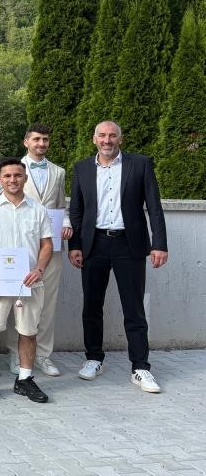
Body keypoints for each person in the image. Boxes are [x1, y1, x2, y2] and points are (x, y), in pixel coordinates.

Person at [69, 120, 168, 393]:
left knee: (134, 309)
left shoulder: (141, 164)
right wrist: (74, 245)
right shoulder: (82, 168)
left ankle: (140, 368)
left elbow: (155, 208)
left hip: (130, 245)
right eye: (102, 135)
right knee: (92, 306)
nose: (107, 140)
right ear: (94, 139)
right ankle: (94, 358)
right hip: (94, 245)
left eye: (112, 136)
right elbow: (76, 211)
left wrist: (159, 244)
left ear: (120, 139)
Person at [0, 158, 54, 405]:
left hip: (28, 283)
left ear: (25, 178)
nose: (12, 180)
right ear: (0, 179)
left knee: (28, 333)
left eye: (17, 175)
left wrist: (39, 269)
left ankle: (25, 379)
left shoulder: (38, 210)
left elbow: (47, 244)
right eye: (7, 176)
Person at [7, 124, 71, 377]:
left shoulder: (59, 171)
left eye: (45, 139)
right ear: (26, 142)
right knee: (20, 301)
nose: (41, 143)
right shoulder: (13, 171)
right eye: (36, 139)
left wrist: (66, 224)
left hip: (51, 246)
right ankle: (15, 354)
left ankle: (43, 355)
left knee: (47, 302)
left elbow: (60, 204)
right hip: (21, 245)